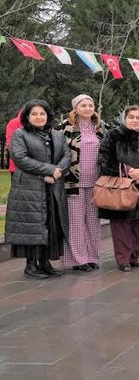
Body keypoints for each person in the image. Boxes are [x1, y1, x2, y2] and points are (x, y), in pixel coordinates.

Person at [6, 100, 70, 279]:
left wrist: (57, 171)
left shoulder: (57, 135)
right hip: (29, 189)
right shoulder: (20, 134)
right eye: (34, 114)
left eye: (42, 114)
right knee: (33, 225)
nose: (39, 117)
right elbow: (20, 158)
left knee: (50, 223)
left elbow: (66, 155)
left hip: (53, 188)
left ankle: (45, 262)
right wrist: (48, 170)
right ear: (27, 116)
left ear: (48, 115)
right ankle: (31, 265)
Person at [97, 106, 139, 272]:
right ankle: (123, 260)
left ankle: (134, 257)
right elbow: (104, 160)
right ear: (125, 118)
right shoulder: (113, 136)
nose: (135, 120)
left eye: (138, 117)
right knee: (121, 227)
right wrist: (128, 171)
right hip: (120, 190)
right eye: (131, 117)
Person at [59, 94, 105, 272]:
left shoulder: (101, 127)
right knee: (76, 222)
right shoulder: (65, 128)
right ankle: (78, 259)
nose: (88, 108)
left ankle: (93, 256)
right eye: (83, 105)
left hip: (96, 183)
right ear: (75, 108)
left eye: (90, 105)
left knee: (93, 222)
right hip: (72, 183)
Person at [5, 110, 22, 174]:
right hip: (17, 167)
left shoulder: (38, 123)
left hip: (37, 168)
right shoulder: (14, 123)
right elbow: (11, 145)